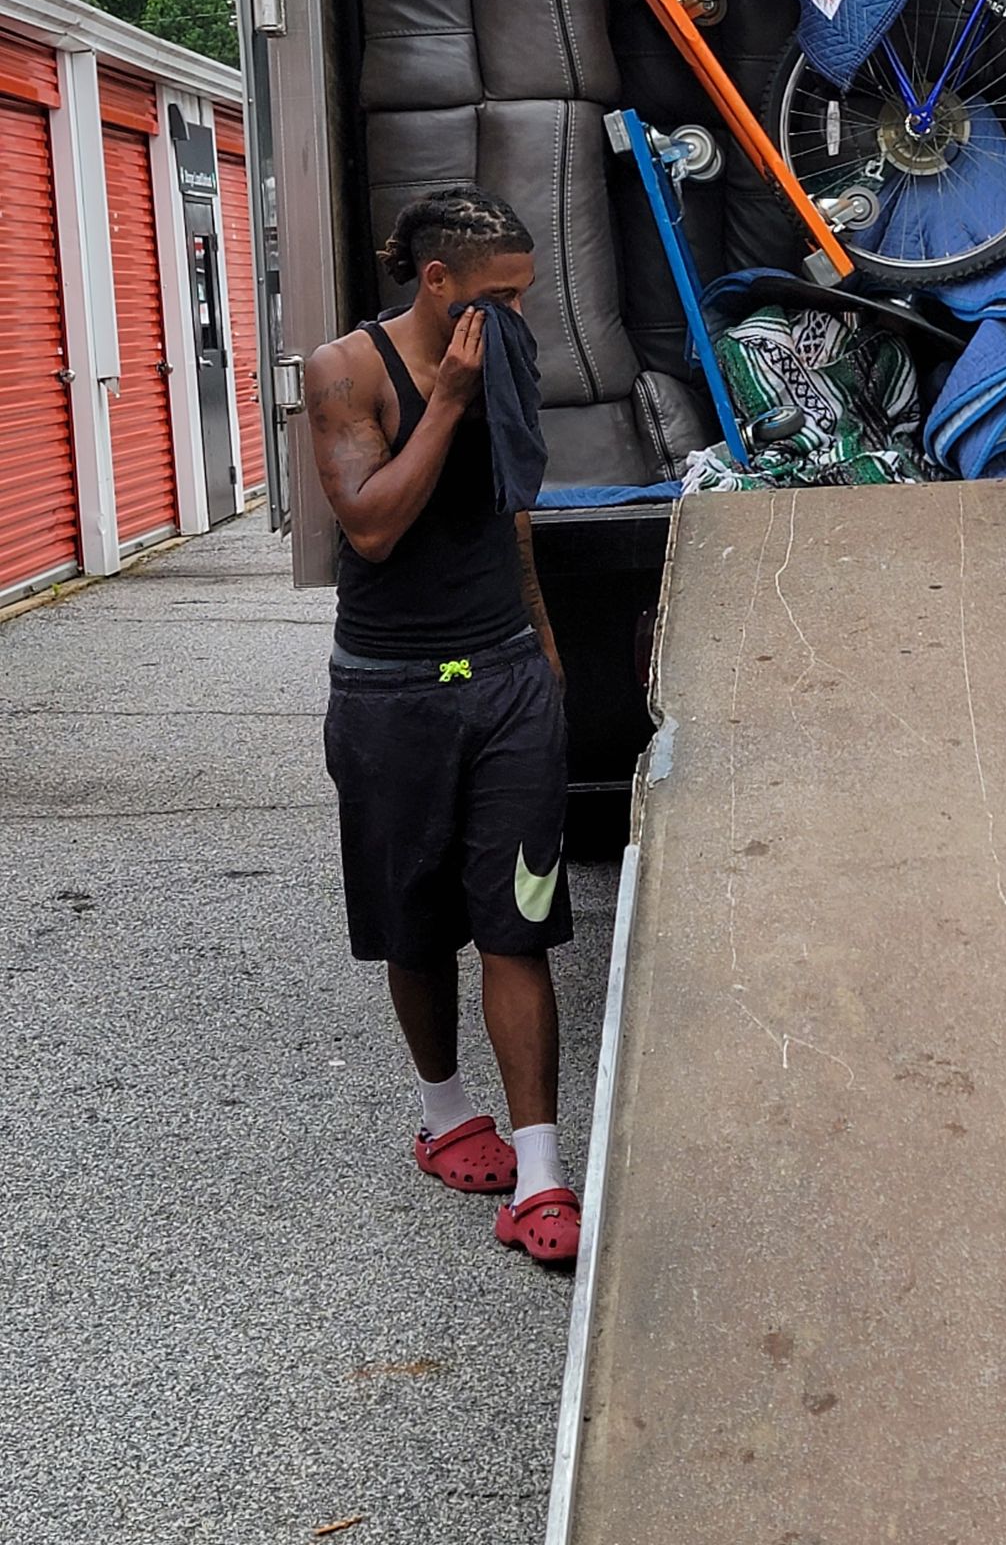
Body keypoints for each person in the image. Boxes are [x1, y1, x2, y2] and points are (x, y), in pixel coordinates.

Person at [306, 184, 580, 1269]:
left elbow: (510, 502)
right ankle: (447, 1113)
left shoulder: (497, 352)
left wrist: (546, 645)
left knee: (520, 920)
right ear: (436, 281)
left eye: (525, 294)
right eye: (500, 294)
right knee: (415, 925)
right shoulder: (346, 370)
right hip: (390, 693)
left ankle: (546, 1174)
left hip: (504, 678)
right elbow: (369, 524)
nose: (517, 314)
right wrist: (451, 401)